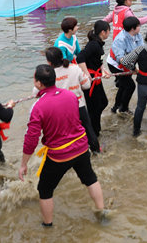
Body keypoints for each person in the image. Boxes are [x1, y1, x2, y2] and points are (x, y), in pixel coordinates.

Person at [19, 64, 105, 227]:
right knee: (90, 179)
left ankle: (47, 225)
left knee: (44, 189)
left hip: (59, 155)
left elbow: (31, 139)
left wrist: (24, 164)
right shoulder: (70, 95)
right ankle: (102, 211)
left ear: (38, 83)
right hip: (81, 147)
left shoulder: (38, 107)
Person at [46, 46, 99, 153]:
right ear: (62, 57)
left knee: (67, 134)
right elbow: (87, 85)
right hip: (79, 105)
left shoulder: (50, 75)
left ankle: (72, 154)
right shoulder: (75, 68)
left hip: (62, 110)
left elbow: (39, 93)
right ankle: (96, 151)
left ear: (49, 62)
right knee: (88, 129)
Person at [76, 20, 111, 137]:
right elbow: (80, 57)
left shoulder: (98, 43)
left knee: (103, 103)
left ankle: (94, 127)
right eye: (108, 31)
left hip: (97, 78)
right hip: (90, 81)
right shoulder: (94, 45)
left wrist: (103, 70)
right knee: (94, 108)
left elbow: (98, 60)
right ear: (103, 32)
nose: (109, 33)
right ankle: (93, 133)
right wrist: (86, 75)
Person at [108, 16, 143, 115]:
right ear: (132, 28)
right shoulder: (120, 39)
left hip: (129, 63)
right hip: (116, 65)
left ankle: (115, 107)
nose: (140, 27)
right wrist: (134, 69)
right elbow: (122, 60)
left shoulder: (137, 35)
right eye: (138, 26)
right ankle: (123, 109)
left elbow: (141, 50)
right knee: (130, 86)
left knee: (124, 86)